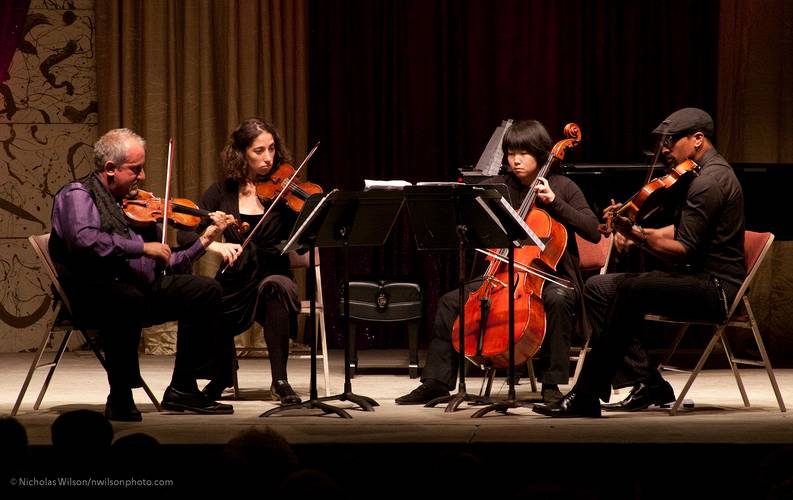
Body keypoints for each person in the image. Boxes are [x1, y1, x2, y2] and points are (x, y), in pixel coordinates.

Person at [533, 107, 745, 417]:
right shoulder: (699, 174)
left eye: (671, 141)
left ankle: (587, 394)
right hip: (697, 278)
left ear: (697, 139)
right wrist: (638, 233)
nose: (665, 149)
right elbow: (687, 228)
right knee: (598, 287)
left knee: (632, 288)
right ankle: (648, 382)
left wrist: (636, 234)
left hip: (716, 288)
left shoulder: (711, 181)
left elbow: (685, 248)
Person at [395, 119, 601, 405]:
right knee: (450, 301)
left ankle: (552, 384)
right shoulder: (498, 187)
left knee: (559, 299)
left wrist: (555, 203)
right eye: (510, 153)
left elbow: (592, 230)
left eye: (523, 153)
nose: (515, 160)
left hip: (550, 276)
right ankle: (437, 381)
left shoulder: (563, 186)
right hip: (501, 274)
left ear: (541, 153)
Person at [49, 128, 235, 421]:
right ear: (110, 169)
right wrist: (141, 248)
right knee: (125, 297)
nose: (143, 176)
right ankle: (120, 394)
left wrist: (205, 240)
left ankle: (183, 388)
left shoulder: (134, 206)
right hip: (92, 296)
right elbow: (84, 241)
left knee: (205, 290)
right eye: (135, 169)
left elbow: (164, 263)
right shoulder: (77, 195)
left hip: (136, 293)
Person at [183, 118, 302, 404]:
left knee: (277, 288)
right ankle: (221, 375)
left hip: (273, 272)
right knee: (209, 297)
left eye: (272, 149)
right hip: (235, 279)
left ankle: (281, 380)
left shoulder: (285, 194)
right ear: (241, 154)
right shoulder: (220, 192)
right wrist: (216, 247)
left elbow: (304, 239)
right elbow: (185, 237)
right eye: (259, 151)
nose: (268, 158)